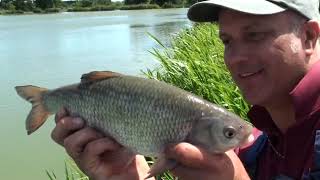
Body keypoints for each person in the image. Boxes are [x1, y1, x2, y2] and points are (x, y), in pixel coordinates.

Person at [51, 0, 320, 179]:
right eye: (227, 40)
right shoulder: (256, 144)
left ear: (308, 37)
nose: (235, 57)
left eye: (254, 35)